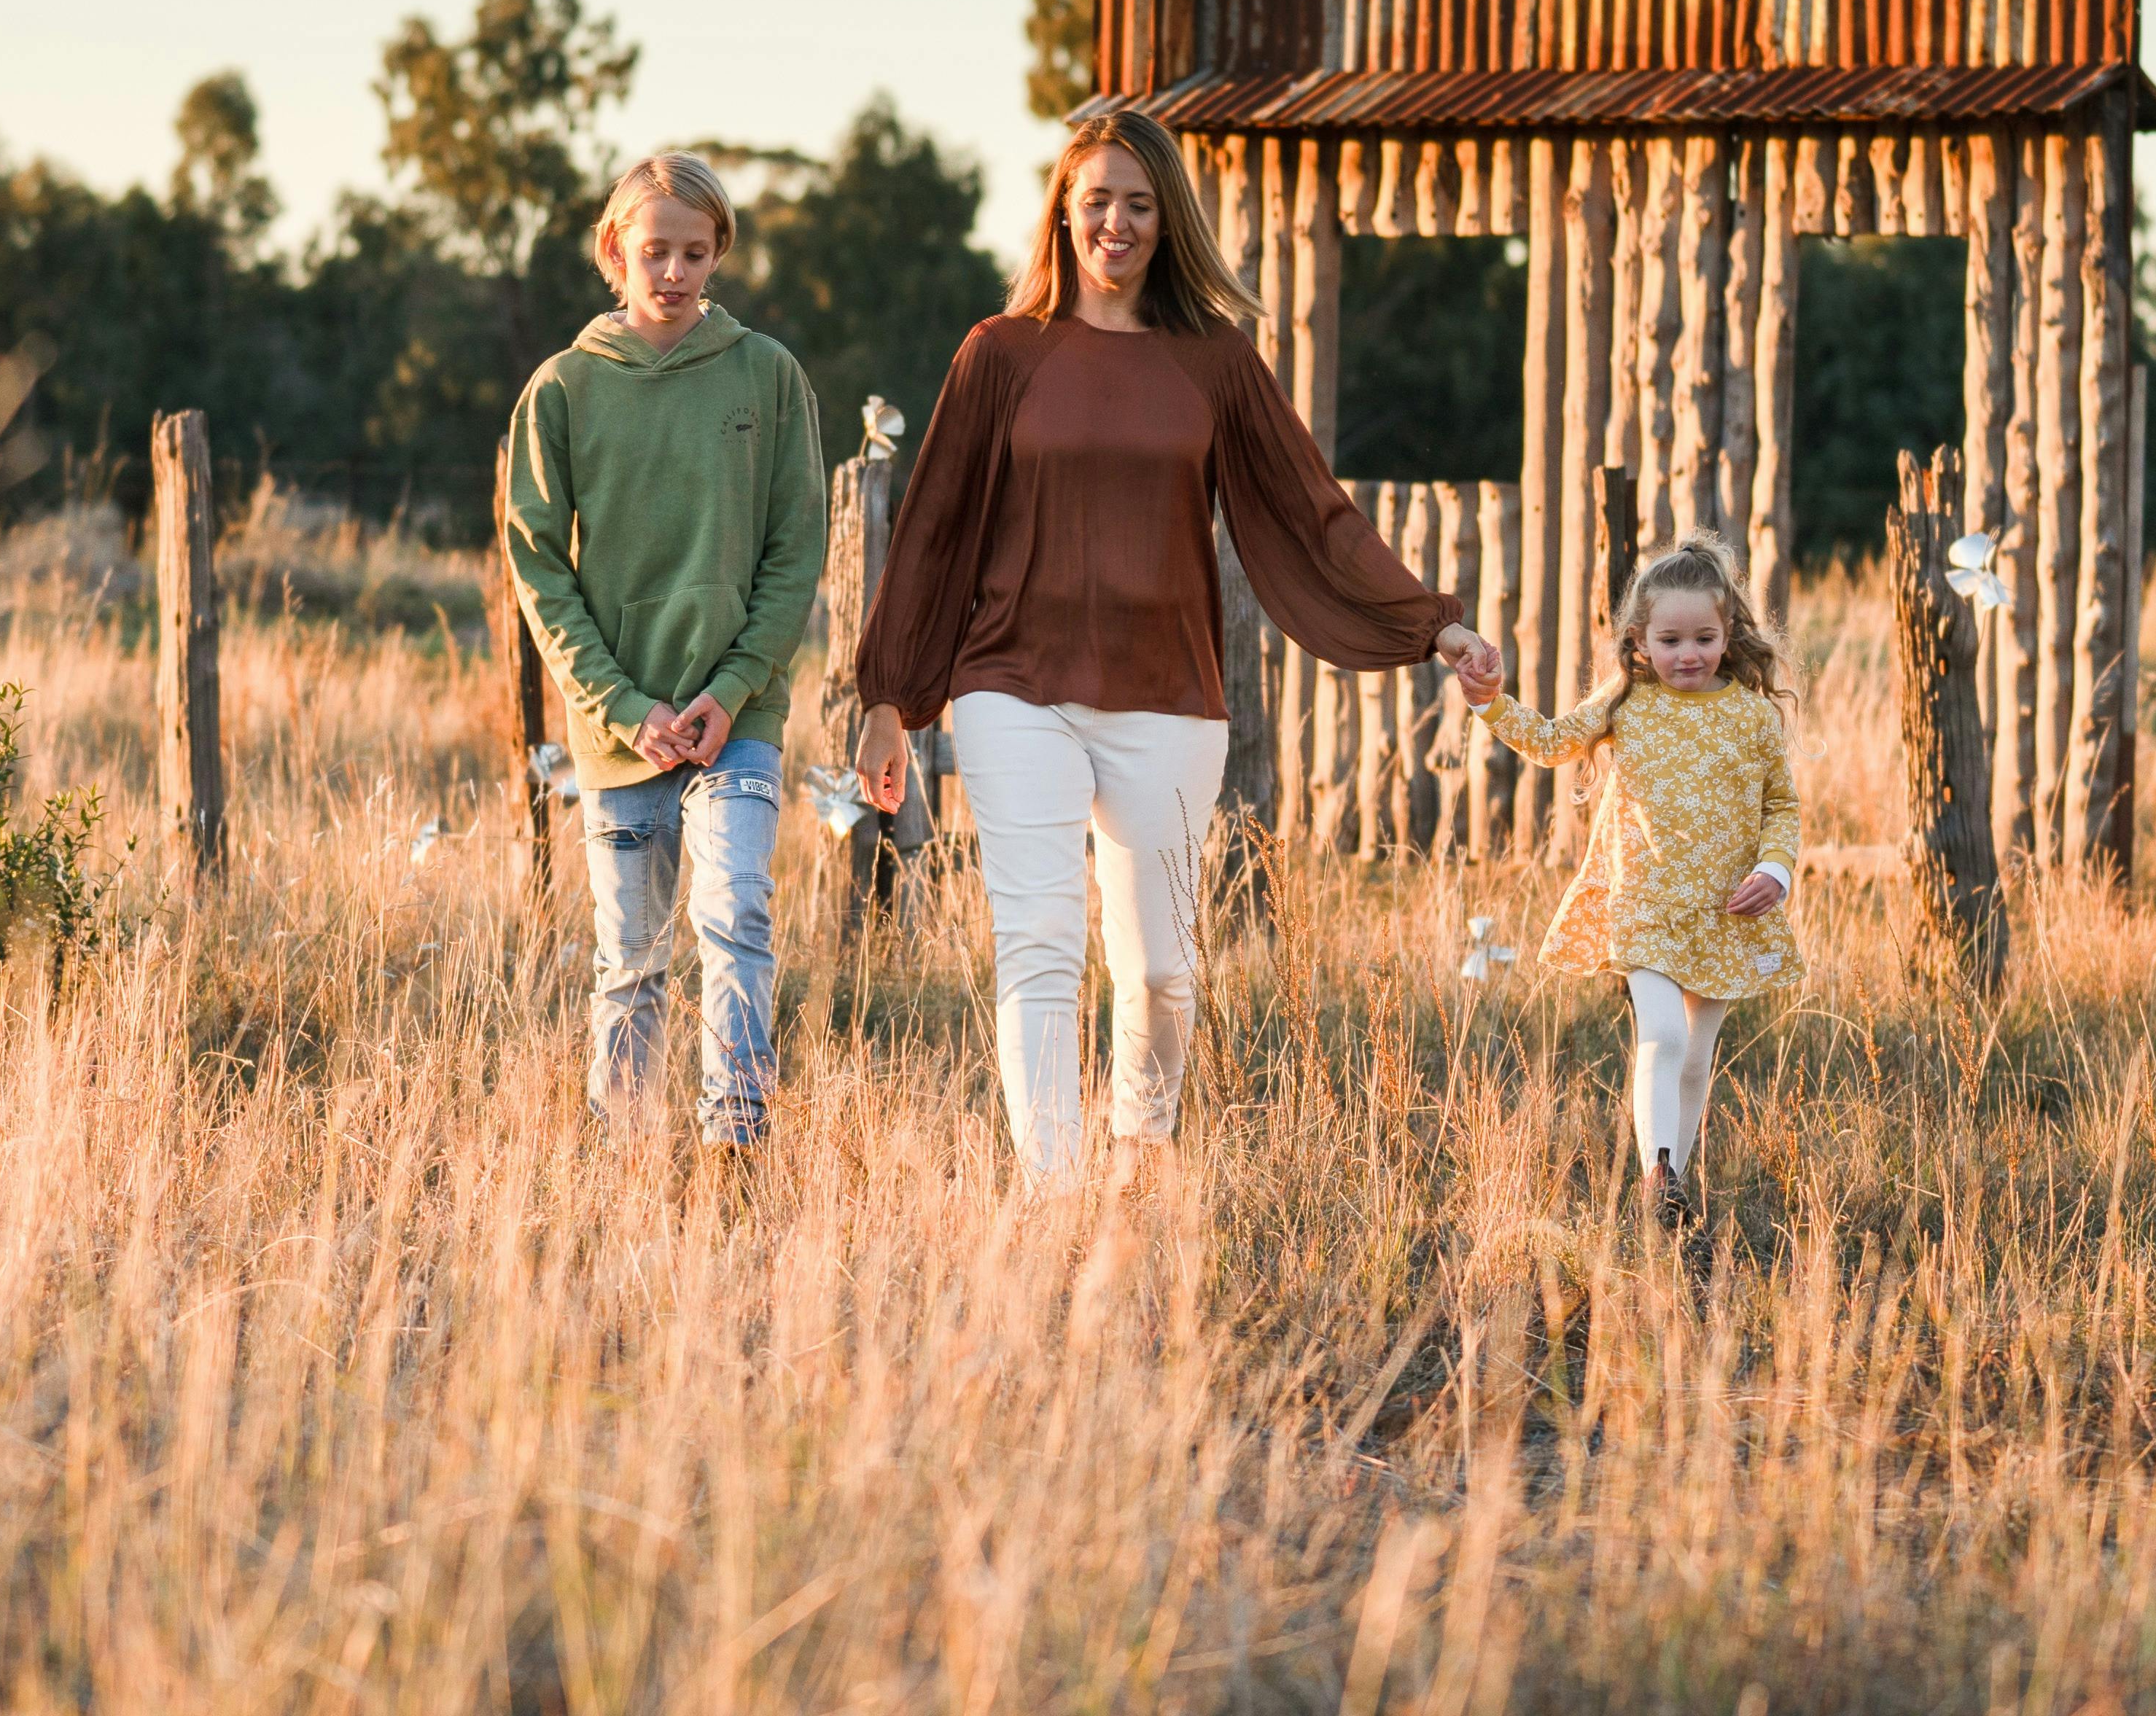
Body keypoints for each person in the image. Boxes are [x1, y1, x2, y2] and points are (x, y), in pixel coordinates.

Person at [856, 104, 1500, 1184]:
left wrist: (1432, 623)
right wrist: (888, 698)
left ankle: (1137, 1159)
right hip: (1016, 684)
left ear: (1168, 223)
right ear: (1063, 210)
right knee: (1042, 947)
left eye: (1139, 204)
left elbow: (1312, 511)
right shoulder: (1002, 354)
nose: (1116, 222)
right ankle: (1055, 1204)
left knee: (1160, 971)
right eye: (1096, 199)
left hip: (1168, 697)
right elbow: (932, 530)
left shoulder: (1213, 363)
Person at [499, 153, 828, 1153]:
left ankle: (738, 1136)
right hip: (621, 730)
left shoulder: (766, 375)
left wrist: (732, 689)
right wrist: (620, 705)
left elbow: (794, 549)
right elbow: (538, 570)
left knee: (735, 917)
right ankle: (626, 1154)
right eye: (656, 252)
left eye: (695, 252)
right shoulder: (561, 392)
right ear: (615, 251)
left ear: (719, 252)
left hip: (738, 718)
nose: (675, 272)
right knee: (632, 959)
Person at [1450, 534, 1800, 1229]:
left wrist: (1775, 870)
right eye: (1671, 640)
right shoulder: (1626, 705)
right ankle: (1657, 1170)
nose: (1688, 654)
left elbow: (1781, 807)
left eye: (1704, 637)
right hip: (1642, 901)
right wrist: (1490, 702)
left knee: (1697, 1058)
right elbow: (1550, 742)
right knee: (1664, 1034)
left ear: (1729, 634)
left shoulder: (1753, 717)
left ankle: (1672, 1194)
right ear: (1640, 641)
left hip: (1722, 910)